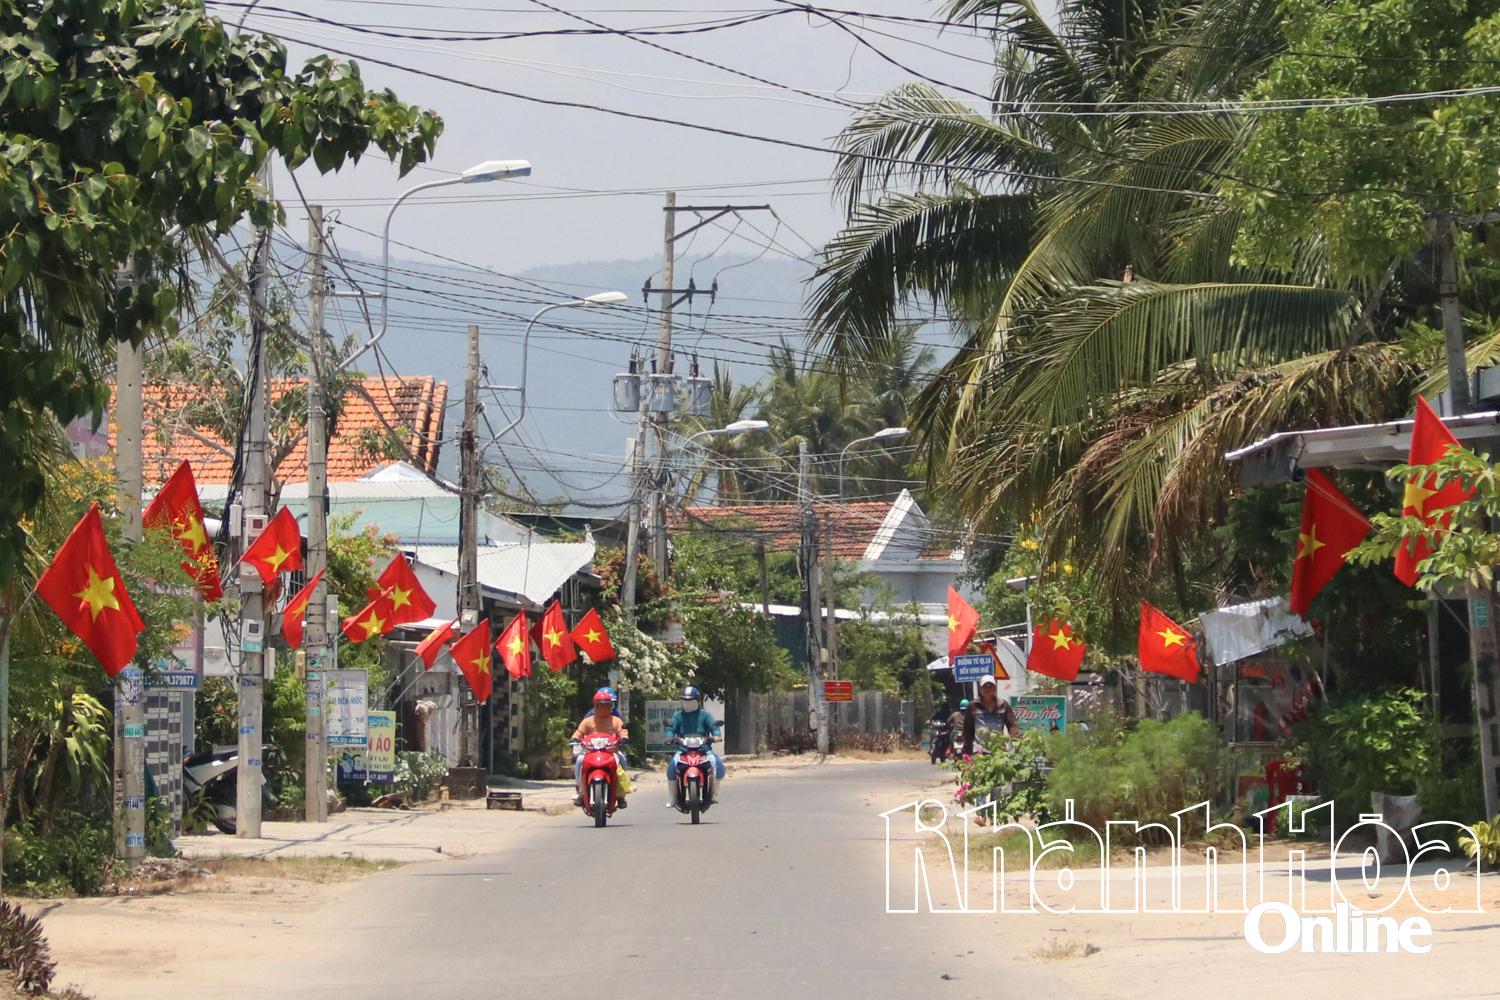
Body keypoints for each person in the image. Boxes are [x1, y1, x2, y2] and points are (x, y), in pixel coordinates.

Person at [665, 686, 725, 806]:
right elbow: (671, 728)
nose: (687, 704)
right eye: (684, 701)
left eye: (691, 701)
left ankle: (714, 793)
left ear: (697, 701)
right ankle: (673, 797)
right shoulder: (677, 716)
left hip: (704, 751)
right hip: (683, 750)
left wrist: (716, 736)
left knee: (718, 765)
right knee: (671, 768)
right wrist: (670, 737)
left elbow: (714, 727)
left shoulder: (705, 715)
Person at [572, 689, 629, 808]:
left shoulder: (616, 721)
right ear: (595, 706)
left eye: (607, 705)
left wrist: (624, 738)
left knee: (622, 759)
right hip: (590, 752)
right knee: (579, 760)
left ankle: (621, 795)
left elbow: (622, 731)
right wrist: (575, 738)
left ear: (611, 706)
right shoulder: (588, 721)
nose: (604, 708)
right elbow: (579, 732)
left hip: (611, 752)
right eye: (601, 705)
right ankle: (580, 792)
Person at [961, 675, 1020, 755]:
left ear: (995, 688)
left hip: (999, 750)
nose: (988, 689)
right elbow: (967, 729)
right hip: (979, 751)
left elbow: (1012, 725)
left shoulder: (1003, 705)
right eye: (985, 686)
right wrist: (967, 751)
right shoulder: (973, 706)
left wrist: (1016, 741)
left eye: (990, 686)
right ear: (980, 689)